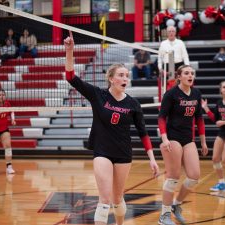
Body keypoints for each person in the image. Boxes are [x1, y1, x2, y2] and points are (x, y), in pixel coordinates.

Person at [64, 31, 159, 225]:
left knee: (117, 198)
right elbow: (71, 77)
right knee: (105, 199)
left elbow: (143, 132)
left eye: (127, 75)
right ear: (111, 79)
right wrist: (70, 51)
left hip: (123, 153)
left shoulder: (133, 104)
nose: (125, 79)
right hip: (102, 151)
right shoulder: (98, 95)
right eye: (121, 75)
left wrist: (152, 159)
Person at [158, 65, 208, 225]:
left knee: (194, 176)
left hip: (188, 138)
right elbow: (161, 118)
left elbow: (199, 119)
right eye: (186, 73)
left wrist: (203, 141)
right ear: (179, 76)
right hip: (173, 137)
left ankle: (176, 204)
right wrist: (165, 139)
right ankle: (164, 215)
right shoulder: (171, 94)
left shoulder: (196, 93)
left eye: (192, 73)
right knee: (173, 177)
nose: (190, 75)